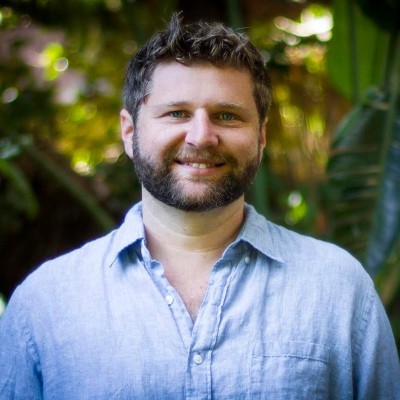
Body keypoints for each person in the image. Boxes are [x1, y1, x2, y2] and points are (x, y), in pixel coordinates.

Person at [0, 13, 399, 400]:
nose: (202, 136)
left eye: (227, 116)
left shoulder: (339, 289)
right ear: (129, 131)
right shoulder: (46, 302)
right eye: (177, 113)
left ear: (261, 136)